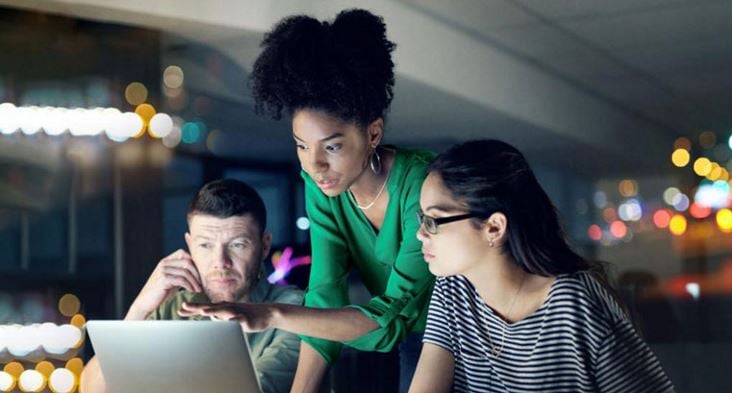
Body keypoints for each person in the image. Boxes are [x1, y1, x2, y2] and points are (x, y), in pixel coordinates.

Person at [179, 9, 434, 393]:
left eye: (332, 146)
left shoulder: (423, 186)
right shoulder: (324, 186)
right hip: (411, 336)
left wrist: (274, 315)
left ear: (374, 133)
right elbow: (323, 294)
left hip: (467, 334)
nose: (314, 164)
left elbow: (389, 320)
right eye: (301, 145)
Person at [408, 140, 675, 392]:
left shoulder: (573, 303)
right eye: (422, 218)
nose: (420, 233)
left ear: (494, 227)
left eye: (434, 220)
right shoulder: (453, 289)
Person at [81, 179, 304, 393]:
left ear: (264, 246)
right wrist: (139, 309)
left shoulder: (293, 309)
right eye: (205, 245)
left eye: (237, 244)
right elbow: (94, 389)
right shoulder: (175, 306)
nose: (220, 262)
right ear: (189, 245)